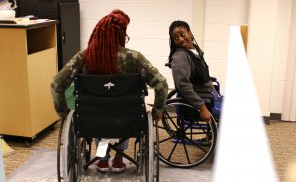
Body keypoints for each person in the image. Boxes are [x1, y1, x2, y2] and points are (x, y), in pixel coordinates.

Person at [50, 9, 168, 172]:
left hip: (91, 120)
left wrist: (63, 112)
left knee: (98, 111)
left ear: (98, 34)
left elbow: (57, 84)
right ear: (121, 35)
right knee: (128, 111)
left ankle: (103, 159)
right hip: (129, 120)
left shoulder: (83, 57)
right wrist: (158, 110)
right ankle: (119, 159)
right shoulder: (134, 58)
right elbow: (162, 84)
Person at [167, 20, 219, 123]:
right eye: (176, 38)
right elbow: (183, 86)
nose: (180, 39)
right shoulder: (180, 56)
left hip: (210, 96)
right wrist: (202, 108)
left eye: (182, 34)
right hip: (203, 101)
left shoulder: (195, 50)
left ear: (190, 34)